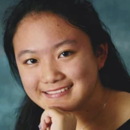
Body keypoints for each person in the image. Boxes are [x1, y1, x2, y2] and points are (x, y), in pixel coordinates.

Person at [3, 0, 130, 130]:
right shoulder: (34, 120)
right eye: (31, 61)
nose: (50, 76)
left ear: (99, 54)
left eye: (65, 53)